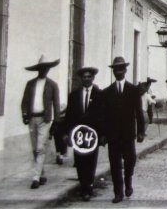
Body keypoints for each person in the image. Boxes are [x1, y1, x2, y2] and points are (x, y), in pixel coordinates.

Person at [104, 57, 145, 204]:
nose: (118, 71)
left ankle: (128, 181)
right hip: (113, 135)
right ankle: (118, 192)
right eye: (116, 69)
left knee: (130, 160)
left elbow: (139, 112)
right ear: (113, 71)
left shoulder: (133, 90)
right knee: (114, 164)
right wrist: (103, 134)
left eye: (121, 68)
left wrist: (141, 131)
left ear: (126, 70)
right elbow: (104, 115)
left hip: (128, 134)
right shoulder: (107, 92)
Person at [20, 55, 61, 190]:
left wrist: (56, 122)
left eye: (46, 68)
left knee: (40, 147)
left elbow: (56, 105)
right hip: (32, 118)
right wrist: (25, 114)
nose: (44, 70)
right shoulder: (31, 84)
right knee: (34, 148)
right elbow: (24, 102)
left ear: (49, 69)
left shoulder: (53, 85)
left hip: (45, 119)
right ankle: (42, 173)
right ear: (38, 69)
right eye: (42, 68)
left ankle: (36, 177)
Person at [63, 66, 104, 201]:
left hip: (93, 134)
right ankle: (83, 184)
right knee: (79, 160)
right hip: (78, 134)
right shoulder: (74, 95)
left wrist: (103, 134)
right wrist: (67, 134)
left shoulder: (99, 94)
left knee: (91, 160)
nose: (86, 79)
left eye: (89, 76)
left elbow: (104, 116)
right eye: (84, 77)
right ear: (81, 78)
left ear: (93, 78)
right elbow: (69, 116)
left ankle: (88, 187)